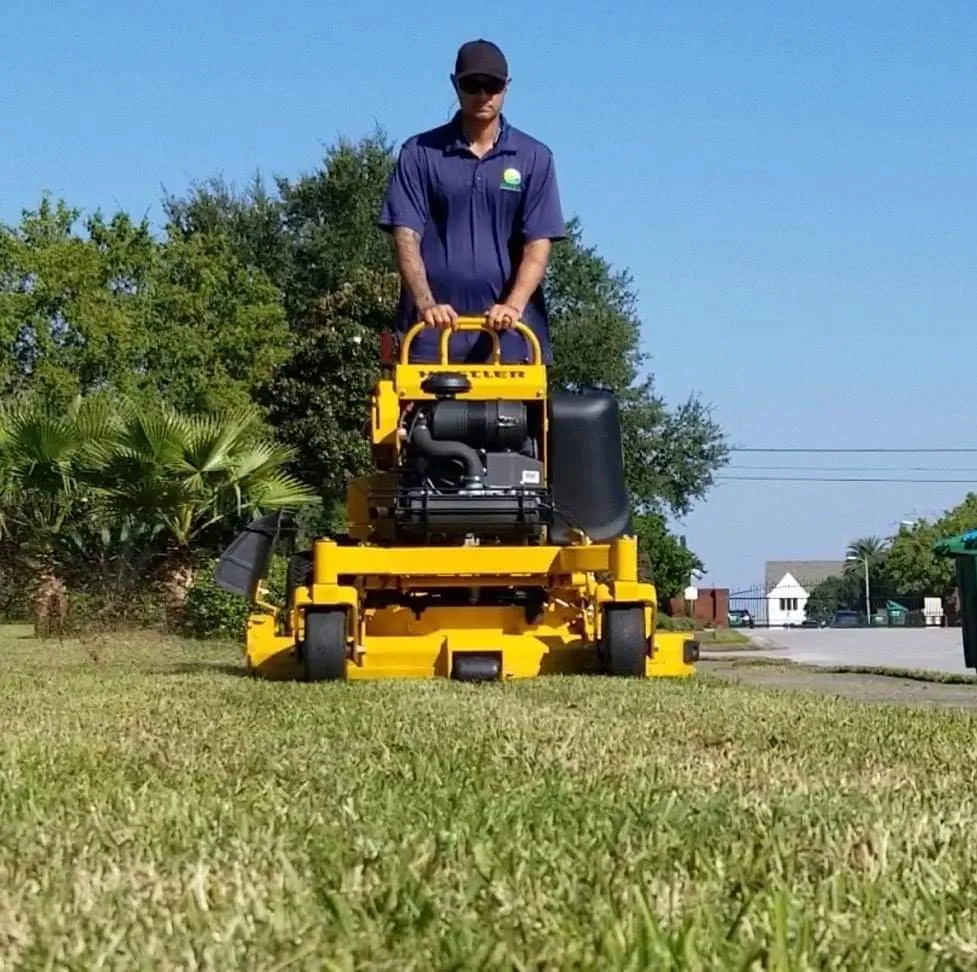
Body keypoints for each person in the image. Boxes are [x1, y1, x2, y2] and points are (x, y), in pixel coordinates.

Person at [377, 39, 566, 364]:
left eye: (491, 85)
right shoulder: (419, 153)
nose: (482, 95)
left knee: (523, 416)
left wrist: (513, 307)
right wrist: (426, 305)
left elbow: (538, 244)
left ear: (506, 87)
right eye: (472, 85)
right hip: (428, 342)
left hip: (512, 343)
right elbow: (405, 236)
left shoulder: (534, 157)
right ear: (455, 84)